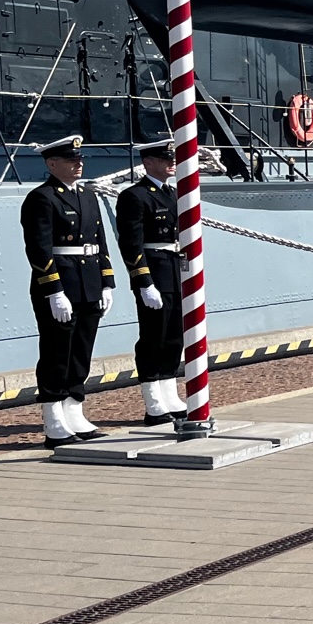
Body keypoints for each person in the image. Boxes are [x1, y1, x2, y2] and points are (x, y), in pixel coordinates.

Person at [21, 134, 115, 447]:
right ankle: (53, 419)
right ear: (52, 164)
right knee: (56, 353)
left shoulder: (87, 196)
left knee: (81, 352)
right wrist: (54, 291)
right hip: (62, 284)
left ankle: (74, 409)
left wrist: (107, 281)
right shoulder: (43, 198)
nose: (79, 164)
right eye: (71, 160)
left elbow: (100, 243)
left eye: (80, 159)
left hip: (88, 283)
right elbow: (39, 249)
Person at [114, 139, 186, 428]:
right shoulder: (135, 196)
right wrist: (143, 281)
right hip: (154, 273)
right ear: (148, 162)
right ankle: (153, 400)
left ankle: (169, 393)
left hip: (174, 271)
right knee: (153, 337)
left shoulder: (173, 194)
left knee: (173, 337)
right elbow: (131, 244)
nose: (171, 162)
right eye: (164, 157)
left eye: (171, 156)